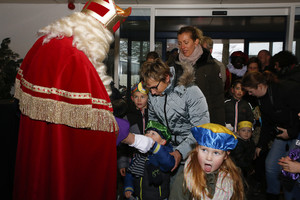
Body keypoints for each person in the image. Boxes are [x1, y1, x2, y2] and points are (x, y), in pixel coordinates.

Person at [13, 1, 132, 200]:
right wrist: (132, 135)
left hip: (39, 154)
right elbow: (93, 131)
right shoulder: (76, 57)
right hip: (67, 164)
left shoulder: (45, 43)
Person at [140, 58, 210, 181]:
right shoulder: (153, 94)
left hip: (193, 152)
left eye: (154, 87)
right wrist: (153, 136)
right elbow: (154, 121)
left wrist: (180, 152)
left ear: (167, 78)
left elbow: (201, 129)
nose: (152, 92)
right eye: (149, 88)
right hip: (167, 150)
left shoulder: (191, 92)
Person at [242, 71, 300, 200]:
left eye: (251, 91)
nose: (250, 94)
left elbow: (298, 114)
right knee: (271, 165)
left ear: (260, 86)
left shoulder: (286, 90)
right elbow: (267, 123)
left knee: (288, 170)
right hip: (281, 134)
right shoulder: (261, 99)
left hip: (296, 134)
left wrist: (291, 132)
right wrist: (261, 145)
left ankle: (290, 197)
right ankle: (272, 194)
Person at [169, 123, 244, 200]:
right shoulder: (185, 178)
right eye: (204, 150)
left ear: (226, 155)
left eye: (216, 153)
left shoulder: (232, 178)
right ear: (197, 148)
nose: (209, 158)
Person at [175, 26, 225, 125]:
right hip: (181, 123)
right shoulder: (174, 65)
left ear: (196, 42)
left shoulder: (210, 66)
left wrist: (219, 126)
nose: (182, 47)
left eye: (186, 42)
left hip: (204, 122)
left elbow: (217, 100)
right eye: (180, 43)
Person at [124, 120, 175, 200]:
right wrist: (128, 186)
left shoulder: (164, 155)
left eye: (153, 134)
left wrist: (154, 146)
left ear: (162, 141)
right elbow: (131, 172)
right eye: (147, 132)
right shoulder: (139, 154)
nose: (148, 135)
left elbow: (168, 164)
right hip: (139, 196)